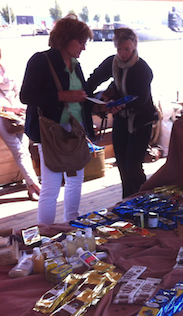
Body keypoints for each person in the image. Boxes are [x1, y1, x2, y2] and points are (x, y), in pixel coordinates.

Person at [20, 14, 94, 225]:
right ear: (65, 39)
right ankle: (46, 232)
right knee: (51, 186)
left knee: (75, 181)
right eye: (81, 42)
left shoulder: (74, 64)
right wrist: (64, 96)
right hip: (50, 131)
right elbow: (27, 96)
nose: (83, 47)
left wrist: (103, 103)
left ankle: (72, 223)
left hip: (74, 130)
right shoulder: (40, 60)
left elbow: (84, 94)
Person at [87, 28, 158, 199]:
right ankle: (127, 201)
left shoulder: (142, 68)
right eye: (119, 50)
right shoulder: (112, 63)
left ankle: (144, 198)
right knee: (122, 166)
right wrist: (91, 98)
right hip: (121, 120)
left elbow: (140, 99)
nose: (123, 54)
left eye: (127, 49)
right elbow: (93, 80)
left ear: (134, 45)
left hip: (141, 121)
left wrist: (118, 105)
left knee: (133, 165)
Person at [0, 48, 41, 201]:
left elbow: (18, 90)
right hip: (2, 115)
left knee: (24, 149)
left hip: (16, 112)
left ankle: (31, 187)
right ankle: (36, 186)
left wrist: (18, 107)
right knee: (19, 151)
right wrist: (8, 108)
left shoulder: (6, 67)